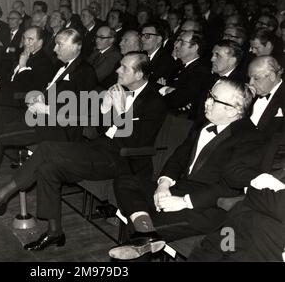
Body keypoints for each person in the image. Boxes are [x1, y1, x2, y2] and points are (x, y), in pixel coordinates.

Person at [0, 53, 167, 253]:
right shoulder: (115, 90)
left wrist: (121, 111)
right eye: (119, 65)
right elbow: (97, 131)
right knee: (49, 168)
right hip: (98, 149)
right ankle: (54, 232)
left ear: (139, 75)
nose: (117, 70)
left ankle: (0, 196)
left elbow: (134, 141)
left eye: (124, 67)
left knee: (48, 148)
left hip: (121, 159)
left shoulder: (154, 103)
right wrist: (105, 110)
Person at [108, 78, 263, 260]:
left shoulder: (250, 138)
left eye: (214, 99)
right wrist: (163, 184)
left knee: (138, 233)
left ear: (232, 110)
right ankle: (145, 230)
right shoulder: (204, 122)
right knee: (125, 181)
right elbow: (179, 157)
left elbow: (229, 187)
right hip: (179, 188)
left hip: (207, 207)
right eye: (209, 96)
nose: (206, 102)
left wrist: (184, 201)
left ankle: (144, 234)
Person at [0, 29, 97, 192]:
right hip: (38, 113)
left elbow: (81, 111)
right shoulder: (60, 65)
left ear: (76, 46)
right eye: (55, 44)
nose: (55, 49)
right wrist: (39, 98)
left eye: (59, 45)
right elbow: (45, 89)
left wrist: (46, 108)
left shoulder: (85, 71)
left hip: (58, 126)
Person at [189, 122, 285, 262]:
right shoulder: (278, 139)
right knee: (206, 253)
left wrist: (259, 187)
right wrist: (262, 182)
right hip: (238, 222)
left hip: (267, 238)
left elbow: (279, 206)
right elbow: (234, 171)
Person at [248, 56, 284, 140]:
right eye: (250, 78)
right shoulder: (251, 94)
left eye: (256, 78)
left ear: (272, 76)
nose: (250, 83)